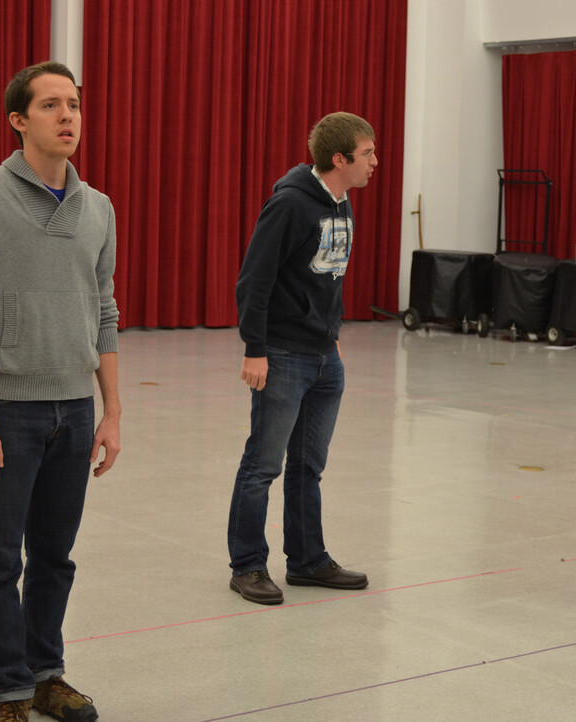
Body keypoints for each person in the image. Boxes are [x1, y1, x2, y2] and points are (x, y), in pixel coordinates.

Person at [0, 61, 119, 722]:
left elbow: (105, 311)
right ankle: (7, 691)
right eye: (50, 105)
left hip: (76, 411)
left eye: (73, 103)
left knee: (54, 558)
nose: (67, 116)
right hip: (7, 412)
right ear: (18, 120)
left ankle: (46, 674)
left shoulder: (97, 207)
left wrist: (112, 412)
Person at [227, 112, 377, 605]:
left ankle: (308, 560)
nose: (375, 162)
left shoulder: (342, 202)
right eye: (367, 153)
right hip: (284, 355)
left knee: (308, 466)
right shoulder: (290, 205)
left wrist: (332, 334)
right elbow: (255, 280)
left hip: (323, 358)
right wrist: (256, 349)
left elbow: (327, 278)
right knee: (263, 465)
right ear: (340, 159)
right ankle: (248, 565)